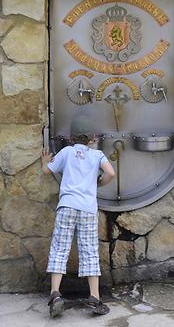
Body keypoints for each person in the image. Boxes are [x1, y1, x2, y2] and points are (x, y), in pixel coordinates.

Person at [42, 116, 116, 318]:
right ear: (92, 137)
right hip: (87, 209)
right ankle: (94, 297)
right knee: (89, 251)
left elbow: (47, 171)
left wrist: (45, 161)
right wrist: (98, 184)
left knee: (60, 248)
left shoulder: (66, 152)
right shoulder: (97, 155)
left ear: (70, 137)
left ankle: (55, 295)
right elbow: (110, 173)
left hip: (67, 207)